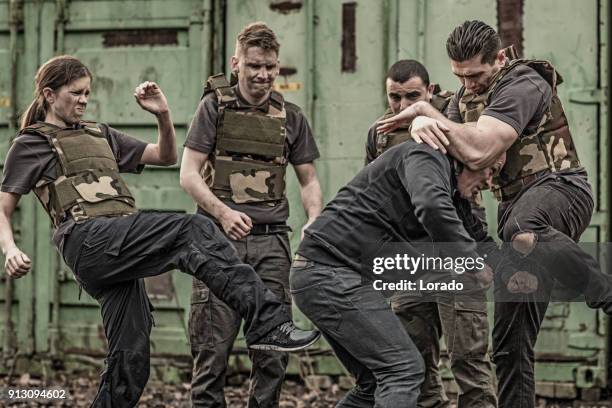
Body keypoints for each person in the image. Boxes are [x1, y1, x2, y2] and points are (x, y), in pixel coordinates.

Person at [0, 55, 319, 407]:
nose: (83, 100)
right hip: (88, 240)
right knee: (193, 229)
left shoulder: (99, 133)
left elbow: (164, 156)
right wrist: (10, 248)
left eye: (87, 92)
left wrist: (162, 115)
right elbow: (3, 207)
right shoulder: (31, 144)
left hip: (119, 249)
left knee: (131, 360)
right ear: (48, 95)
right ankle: (268, 321)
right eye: (75, 93)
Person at [377, 20, 612, 408]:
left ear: (500, 58)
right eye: (459, 76)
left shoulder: (523, 82)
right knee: (509, 344)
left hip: (560, 190)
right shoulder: (459, 103)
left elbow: (480, 149)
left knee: (523, 228)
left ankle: (601, 289)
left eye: (476, 74)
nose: (468, 84)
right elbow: (458, 169)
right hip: (515, 214)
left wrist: (424, 112)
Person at [291, 131, 506, 406]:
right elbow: (431, 207)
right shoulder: (426, 155)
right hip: (330, 273)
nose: (490, 182)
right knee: (403, 370)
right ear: (469, 155)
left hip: (326, 276)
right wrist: (471, 262)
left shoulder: (449, 189)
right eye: (490, 169)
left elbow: (476, 237)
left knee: (373, 384)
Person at [180, 22, 323, 407]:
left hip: (272, 243)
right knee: (212, 355)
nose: (262, 75)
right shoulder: (213, 108)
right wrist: (223, 214)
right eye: (254, 66)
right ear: (236, 63)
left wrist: (314, 218)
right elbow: (188, 175)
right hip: (218, 244)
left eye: (270, 67)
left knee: (272, 355)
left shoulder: (290, 117)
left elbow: (308, 180)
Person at [366, 59, 496, 408]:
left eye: (413, 96)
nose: (403, 106)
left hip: (455, 259)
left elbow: (488, 158)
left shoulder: (453, 118)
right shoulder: (379, 133)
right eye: (395, 97)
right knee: (416, 366)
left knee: (469, 362)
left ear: (430, 91)